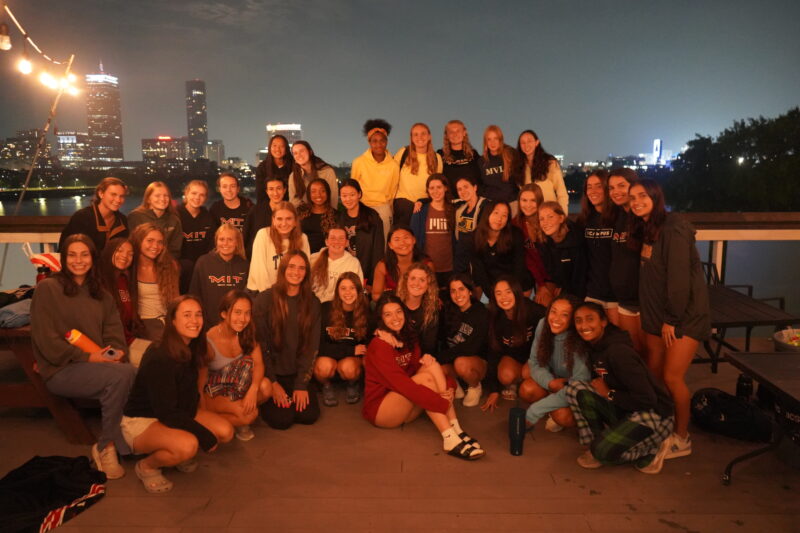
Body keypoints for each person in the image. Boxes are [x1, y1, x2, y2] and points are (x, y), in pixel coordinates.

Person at [31, 233, 136, 480]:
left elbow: (115, 336)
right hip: (60, 370)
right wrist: (90, 359)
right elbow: (47, 342)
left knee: (126, 371)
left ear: (93, 258)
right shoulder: (48, 289)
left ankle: (123, 439)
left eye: (84, 254)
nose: (79, 260)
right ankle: (107, 446)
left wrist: (115, 353)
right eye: (72, 255)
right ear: (64, 258)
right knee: (124, 376)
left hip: (98, 366)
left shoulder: (102, 294)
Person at [629, 179, 710, 459]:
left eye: (642, 196)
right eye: (632, 198)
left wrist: (672, 320)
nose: (636, 201)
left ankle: (681, 437)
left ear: (656, 197)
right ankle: (663, 427)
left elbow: (678, 281)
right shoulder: (648, 229)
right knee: (656, 377)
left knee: (672, 377)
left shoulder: (673, 229)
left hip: (682, 319)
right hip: (657, 318)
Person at [122, 295, 234, 493]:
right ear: (172, 321)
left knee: (225, 431)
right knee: (188, 445)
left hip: (176, 411)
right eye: (187, 315)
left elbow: (186, 399)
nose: (194, 321)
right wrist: (202, 433)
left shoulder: (192, 346)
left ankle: (174, 449)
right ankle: (147, 466)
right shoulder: (160, 355)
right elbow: (166, 412)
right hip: (143, 419)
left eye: (198, 315)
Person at [363, 294, 485, 460]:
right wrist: (441, 402)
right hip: (382, 410)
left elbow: (418, 371)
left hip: (405, 406)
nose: (395, 318)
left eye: (398, 312)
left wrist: (449, 388)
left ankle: (456, 429)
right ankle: (449, 437)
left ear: (405, 313)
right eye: (388, 314)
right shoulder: (379, 345)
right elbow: (403, 385)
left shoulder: (409, 337)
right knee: (424, 380)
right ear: (381, 319)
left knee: (431, 364)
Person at [566, 302, 674, 474]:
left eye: (590, 319)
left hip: (653, 414)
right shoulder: (595, 346)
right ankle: (599, 442)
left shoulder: (618, 352)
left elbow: (647, 399)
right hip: (628, 408)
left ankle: (654, 447)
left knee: (601, 452)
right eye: (578, 321)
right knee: (575, 389)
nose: (584, 325)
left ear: (603, 322)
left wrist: (609, 394)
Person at [254, 251, 322, 430]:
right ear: (283, 268)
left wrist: (301, 384)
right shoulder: (265, 299)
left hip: (297, 373)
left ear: (306, 273)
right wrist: (273, 383)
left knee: (308, 416)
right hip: (272, 374)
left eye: (301, 268)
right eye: (291, 266)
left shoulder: (312, 303)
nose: (296, 272)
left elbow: (312, 347)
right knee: (282, 420)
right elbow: (261, 346)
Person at [201, 290, 272, 441]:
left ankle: (234, 414)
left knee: (265, 387)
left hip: (237, 386)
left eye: (247, 313)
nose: (243, 319)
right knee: (249, 416)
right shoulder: (209, 340)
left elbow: (258, 365)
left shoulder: (247, 333)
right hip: (214, 392)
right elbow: (199, 383)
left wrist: (253, 390)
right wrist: (202, 410)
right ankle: (211, 424)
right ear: (224, 314)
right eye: (237, 312)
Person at [518, 296, 589, 432]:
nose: (556, 318)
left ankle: (555, 408)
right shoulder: (543, 324)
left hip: (574, 386)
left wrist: (536, 410)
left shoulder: (578, 339)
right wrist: (550, 383)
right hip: (554, 378)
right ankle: (552, 404)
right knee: (527, 387)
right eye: (553, 311)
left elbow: (580, 385)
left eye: (564, 315)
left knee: (562, 416)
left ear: (573, 319)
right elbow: (534, 361)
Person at [484, 276, 546, 408]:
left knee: (528, 381)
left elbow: (550, 340)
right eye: (498, 293)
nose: (504, 297)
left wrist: (536, 362)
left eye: (508, 292)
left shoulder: (533, 310)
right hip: (514, 359)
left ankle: (543, 391)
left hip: (536, 359)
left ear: (516, 292)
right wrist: (494, 390)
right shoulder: (495, 317)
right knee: (505, 375)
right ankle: (516, 382)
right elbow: (493, 352)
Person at [314, 272, 370, 407]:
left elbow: (364, 348)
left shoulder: (366, 312)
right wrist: (350, 350)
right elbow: (318, 345)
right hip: (328, 356)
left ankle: (352, 383)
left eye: (352, 288)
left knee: (348, 368)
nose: (348, 292)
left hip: (350, 361)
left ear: (358, 290)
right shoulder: (325, 308)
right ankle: (326, 386)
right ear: (337, 291)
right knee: (323, 367)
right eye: (343, 288)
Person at [607, 168, 645, 354]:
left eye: (622, 185)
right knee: (633, 352)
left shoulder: (644, 218)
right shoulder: (618, 217)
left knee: (650, 355)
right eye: (612, 187)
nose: (616, 191)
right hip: (624, 300)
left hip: (644, 301)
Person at [438, 273, 489, 407]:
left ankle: (475, 386)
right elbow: (442, 340)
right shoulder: (448, 311)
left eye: (461, 289)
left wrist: (441, 357)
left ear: (470, 291)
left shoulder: (480, 312)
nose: (457, 295)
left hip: (476, 363)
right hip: (453, 359)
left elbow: (471, 348)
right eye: (453, 291)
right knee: (438, 369)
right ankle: (456, 384)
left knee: (461, 363)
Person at [99, 237, 149, 365]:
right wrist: (114, 355)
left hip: (129, 341)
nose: (125, 256)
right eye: (119, 250)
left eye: (130, 254)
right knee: (154, 362)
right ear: (110, 251)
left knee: (167, 355)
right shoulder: (98, 282)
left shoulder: (124, 279)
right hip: (109, 348)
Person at [468, 201, 532, 299]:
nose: (499, 219)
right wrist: (492, 295)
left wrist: (511, 291)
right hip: (491, 287)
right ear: (487, 214)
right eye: (496, 213)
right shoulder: (474, 237)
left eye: (504, 215)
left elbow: (519, 266)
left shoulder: (515, 234)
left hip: (517, 285)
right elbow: (479, 270)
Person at [189, 223, 249, 328]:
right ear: (216, 241)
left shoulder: (244, 265)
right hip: (209, 325)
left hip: (237, 325)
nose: (225, 243)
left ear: (237, 242)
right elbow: (194, 295)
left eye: (230, 239)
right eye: (221, 239)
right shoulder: (203, 262)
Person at [578, 170, 618, 323]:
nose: (593, 191)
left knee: (620, 340)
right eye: (589, 187)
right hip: (593, 292)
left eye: (598, 186)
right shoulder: (584, 220)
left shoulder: (619, 217)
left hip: (617, 295)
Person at [351, 118, 400, 242]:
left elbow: (393, 191)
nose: (378, 144)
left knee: (383, 242)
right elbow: (353, 188)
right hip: (363, 207)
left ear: (386, 141)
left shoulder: (393, 165)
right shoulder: (359, 162)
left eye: (382, 140)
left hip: (383, 208)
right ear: (369, 142)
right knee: (364, 242)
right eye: (374, 141)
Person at [131, 224, 180, 342]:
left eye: (160, 242)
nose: (155, 246)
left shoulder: (170, 265)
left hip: (167, 320)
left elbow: (175, 300)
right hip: (144, 322)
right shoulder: (130, 267)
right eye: (150, 241)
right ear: (138, 241)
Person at [247, 202, 310, 292]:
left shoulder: (302, 238)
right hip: (261, 292)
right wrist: (271, 297)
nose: (284, 224)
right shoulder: (263, 235)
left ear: (295, 221)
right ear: (273, 220)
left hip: (290, 293)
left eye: (288, 219)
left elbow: (304, 270)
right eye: (279, 219)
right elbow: (260, 272)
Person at [409, 174, 457, 290]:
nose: (435, 191)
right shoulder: (420, 211)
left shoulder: (455, 210)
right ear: (428, 191)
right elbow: (413, 240)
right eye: (432, 188)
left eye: (439, 187)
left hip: (450, 268)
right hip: (427, 268)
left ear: (445, 188)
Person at [337, 179, 384, 289]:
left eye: (352, 195)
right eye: (344, 195)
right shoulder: (339, 219)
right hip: (344, 276)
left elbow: (378, 250)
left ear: (359, 194)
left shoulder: (372, 217)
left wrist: (373, 280)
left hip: (367, 276)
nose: (348, 199)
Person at [58, 177, 128, 252]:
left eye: (122, 196)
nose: (118, 200)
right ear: (101, 193)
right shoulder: (82, 217)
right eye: (113, 194)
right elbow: (65, 247)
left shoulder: (122, 221)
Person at [393, 123, 444, 227]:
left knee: (421, 239)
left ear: (429, 136)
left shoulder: (436, 158)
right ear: (411, 138)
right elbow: (392, 177)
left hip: (425, 204)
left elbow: (437, 185)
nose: (419, 137)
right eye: (415, 134)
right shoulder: (403, 152)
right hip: (404, 203)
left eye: (423, 134)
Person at [537, 201, 588, 299]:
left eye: (550, 217)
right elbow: (551, 271)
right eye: (541, 219)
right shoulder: (545, 242)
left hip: (581, 291)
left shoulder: (575, 240)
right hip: (562, 285)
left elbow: (580, 278)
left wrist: (566, 292)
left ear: (561, 218)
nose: (545, 222)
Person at [512, 183, 551, 305]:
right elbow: (526, 258)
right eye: (524, 200)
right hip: (530, 274)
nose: (527, 205)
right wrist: (540, 284)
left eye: (533, 200)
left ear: (539, 202)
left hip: (551, 274)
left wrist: (546, 285)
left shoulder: (547, 220)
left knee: (547, 306)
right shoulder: (516, 224)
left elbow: (554, 256)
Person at [371, 226, 432, 301]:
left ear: (414, 240)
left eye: (406, 238)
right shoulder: (383, 266)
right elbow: (375, 295)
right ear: (390, 245)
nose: (402, 242)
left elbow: (431, 292)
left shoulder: (426, 264)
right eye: (397, 239)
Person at [177, 180, 216, 294]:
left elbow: (211, 245)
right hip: (180, 269)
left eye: (202, 195)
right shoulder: (176, 214)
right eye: (194, 193)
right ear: (186, 193)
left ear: (206, 198)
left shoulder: (208, 216)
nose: (197, 197)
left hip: (201, 269)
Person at [516, 129, 568, 213]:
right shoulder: (519, 167)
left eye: (529, 141)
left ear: (537, 142)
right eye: (523, 142)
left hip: (549, 214)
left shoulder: (549, 163)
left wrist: (562, 215)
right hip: (529, 215)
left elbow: (561, 192)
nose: (526, 145)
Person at [127, 181, 183, 259]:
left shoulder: (174, 220)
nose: (162, 199)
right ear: (148, 199)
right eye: (157, 195)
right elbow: (131, 243)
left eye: (166, 196)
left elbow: (175, 249)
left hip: (165, 263)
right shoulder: (135, 217)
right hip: (139, 263)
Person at [396, 261, 440, 359]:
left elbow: (429, 347)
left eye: (422, 280)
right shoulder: (393, 303)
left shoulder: (431, 311)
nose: (416, 283)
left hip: (418, 359)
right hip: (393, 355)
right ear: (406, 281)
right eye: (413, 278)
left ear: (428, 285)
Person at [309, 226, 364, 303]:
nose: (337, 242)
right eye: (333, 238)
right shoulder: (313, 259)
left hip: (339, 308)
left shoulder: (353, 263)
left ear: (347, 243)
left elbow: (357, 291)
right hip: (314, 306)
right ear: (326, 241)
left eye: (341, 238)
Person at [479, 125, 520, 215]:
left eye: (495, 138)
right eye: (489, 139)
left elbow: (519, 179)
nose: (492, 143)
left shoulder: (510, 155)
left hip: (511, 204)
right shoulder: (482, 161)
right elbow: (481, 186)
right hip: (492, 206)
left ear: (500, 139)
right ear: (485, 142)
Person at [243, 175, 286, 259]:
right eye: (271, 189)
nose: (275, 193)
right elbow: (245, 236)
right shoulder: (255, 210)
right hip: (258, 257)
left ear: (284, 190)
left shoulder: (289, 211)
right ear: (266, 191)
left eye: (279, 188)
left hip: (282, 257)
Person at [452, 175, 488, 273]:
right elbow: (440, 199)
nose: (463, 191)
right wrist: (421, 201)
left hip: (477, 259)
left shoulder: (485, 206)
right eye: (459, 189)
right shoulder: (460, 207)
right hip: (461, 259)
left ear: (475, 187)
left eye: (466, 187)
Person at [288, 140, 338, 208]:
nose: (299, 155)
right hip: (304, 215)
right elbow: (293, 201)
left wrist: (331, 215)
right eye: (295, 153)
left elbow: (333, 197)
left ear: (310, 152)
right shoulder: (293, 176)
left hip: (326, 214)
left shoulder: (327, 171)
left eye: (301, 151)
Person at [437, 120, 482, 197]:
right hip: (450, 202)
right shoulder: (440, 155)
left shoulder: (473, 154)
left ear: (464, 133)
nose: (455, 134)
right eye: (451, 132)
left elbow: (481, 179)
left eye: (458, 131)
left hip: (471, 202)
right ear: (447, 135)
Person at [296, 178, 338, 254]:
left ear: (328, 193)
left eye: (322, 191)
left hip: (328, 257)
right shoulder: (300, 212)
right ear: (309, 194)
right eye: (313, 191)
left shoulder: (336, 215)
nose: (318, 195)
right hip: (304, 256)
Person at [255, 134, 293, 205]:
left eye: (281, 146)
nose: (278, 149)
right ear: (270, 147)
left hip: (290, 206)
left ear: (286, 148)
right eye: (274, 146)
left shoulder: (294, 166)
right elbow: (260, 194)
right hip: (269, 207)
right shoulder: (262, 167)